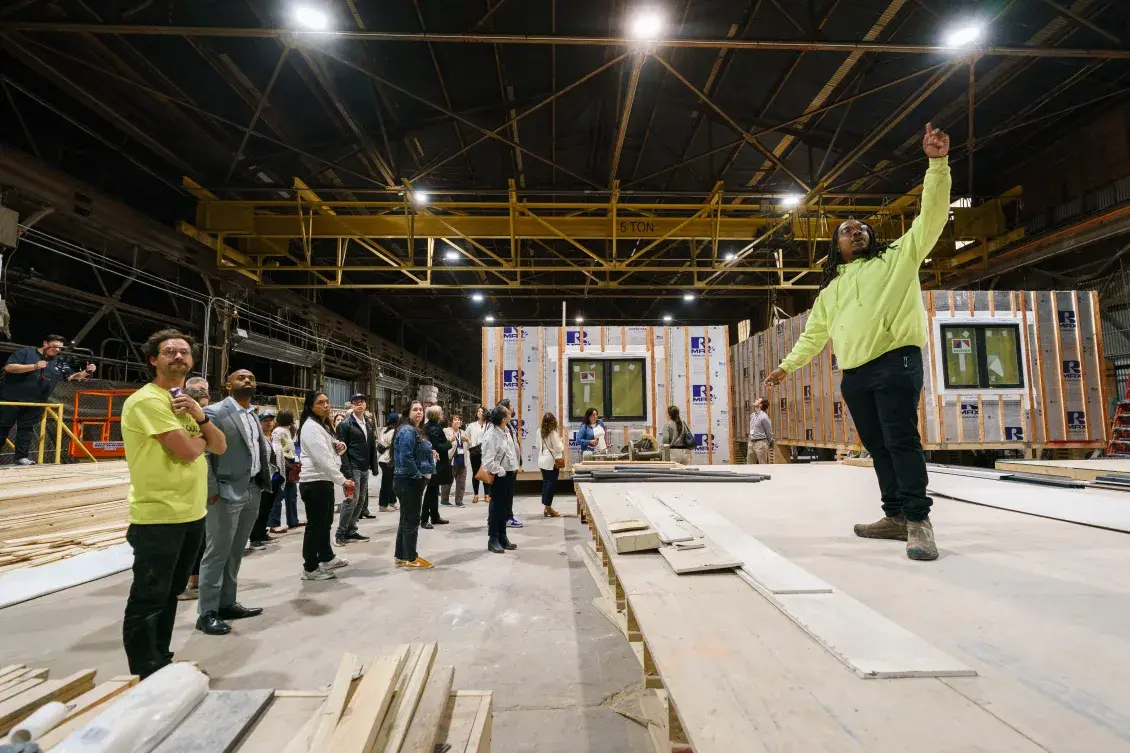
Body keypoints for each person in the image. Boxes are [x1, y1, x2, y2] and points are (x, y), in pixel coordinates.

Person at [764, 123, 951, 562]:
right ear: (836, 246)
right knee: (879, 445)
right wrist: (787, 366)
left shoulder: (898, 257)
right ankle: (895, 516)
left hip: (896, 361)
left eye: (862, 227)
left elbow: (933, 217)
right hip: (855, 374)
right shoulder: (830, 290)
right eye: (848, 230)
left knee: (901, 440)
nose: (857, 232)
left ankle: (919, 520)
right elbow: (814, 335)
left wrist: (937, 164)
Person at [120, 330, 226, 678]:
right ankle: (144, 671)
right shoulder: (148, 401)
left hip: (191, 513)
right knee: (149, 597)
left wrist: (201, 418)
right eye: (169, 352)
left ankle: (160, 660)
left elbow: (220, 446)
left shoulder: (185, 402)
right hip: (158, 514)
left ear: (192, 361)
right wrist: (201, 437)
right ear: (153, 359)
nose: (178, 357)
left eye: (184, 352)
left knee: (170, 594)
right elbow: (189, 450)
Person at [196, 369, 271, 636]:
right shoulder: (215, 413)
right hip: (225, 491)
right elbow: (203, 455)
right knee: (217, 552)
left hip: (251, 488)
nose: (247, 381)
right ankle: (207, 612)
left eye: (251, 378)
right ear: (228, 384)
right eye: (241, 378)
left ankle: (227, 603)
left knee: (236, 550)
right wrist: (212, 489)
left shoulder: (252, 414)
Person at [1, 334, 96, 465]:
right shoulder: (26, 352)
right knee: (2, 428)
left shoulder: (58, 361)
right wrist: (34, 366)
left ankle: (21, 458)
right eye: (55, 346)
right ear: (45, 343)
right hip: (11, 399)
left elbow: (71, 376)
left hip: (36, 402)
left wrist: (86, 372)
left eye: (60, 348)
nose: (57, 350)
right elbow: (9, 368)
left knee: (26, 429)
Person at [298, 391, 355, 580]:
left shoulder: (322, 426)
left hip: (324, 481)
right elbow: (322, 459)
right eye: (320, 403)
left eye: (327, 402)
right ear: (311, 406)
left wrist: (340, 447)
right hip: (314, 482)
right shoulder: (310, 428)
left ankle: (326, 557)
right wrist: (342, 479)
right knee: (316, 526)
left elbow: (331, 449)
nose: (326, 405)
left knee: (325, 523)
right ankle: (310, 568)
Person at [176, 377, 212, 602]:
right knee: (185, 538)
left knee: (200, 536)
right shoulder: (177, 420)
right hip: (182, 487)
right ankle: (179, 586)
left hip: (200, 486)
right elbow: (190, 450)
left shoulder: (202, 420)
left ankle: (195, 580)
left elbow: (217, 444)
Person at [393, 401, 436, 569]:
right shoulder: (407, 430)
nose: (419, 412)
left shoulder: (414, 430)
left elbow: (414, 451)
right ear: (407, 412)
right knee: (411, 520)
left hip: (407, 479)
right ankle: (411, 558)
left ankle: (401, 556)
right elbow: (406, 457)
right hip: (408, 480)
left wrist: (429, 452)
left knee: (405, 519)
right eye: (415, 410)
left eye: (420, 410)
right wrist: (417, 477)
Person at [335, 393, 377, 546]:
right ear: (351, 405)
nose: (360, 403)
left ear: (365, 405)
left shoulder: (369, 423)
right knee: (351, 499)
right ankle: (340, 533)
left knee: (360, 500)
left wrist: (374, 466)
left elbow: (371, 446)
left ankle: (351, 530)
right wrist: (346, 470)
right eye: (356, 402)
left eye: (362, 401)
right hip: (352, 467)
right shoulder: (345, 424)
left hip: (364, 467)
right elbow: (341, 449)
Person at [481, 404, 519, 553]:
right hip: (499, 476)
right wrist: (500, 471)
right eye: (508, 413)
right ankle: (493, 539)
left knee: (504, 508)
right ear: (504, 418)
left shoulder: (505, 430)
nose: (511, 413)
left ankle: (503, 537)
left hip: (509, 473)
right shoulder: (491, 435)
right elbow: (488, 460)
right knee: (496, 508)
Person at [248, 412, 279, 550]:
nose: (269, 423)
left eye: (271, 420)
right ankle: (254, 538)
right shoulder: (256, 438)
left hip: (275, 477)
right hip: (262, 478)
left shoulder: (274, 437)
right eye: (265, 420)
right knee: (259, 509)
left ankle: (262, 533)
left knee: (267, 508)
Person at [268, 409, 301, 533]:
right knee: (279, 493)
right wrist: (282, 465)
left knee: (292, 493)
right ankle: (273, 523)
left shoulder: (288, 430)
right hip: (282, 463)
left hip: (291, 462)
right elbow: (277, 449)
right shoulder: (278, 431)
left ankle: (293, 520)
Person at [422, 405, 452, 528]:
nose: (442, 414)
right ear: (436, 415)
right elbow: (438, 447)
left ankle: (434, 516)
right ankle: (424, 519)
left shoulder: (428, 427)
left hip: (434, 463)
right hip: (437, 463)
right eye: (441, 413)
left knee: (434, 491)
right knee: (430, 492)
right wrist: (450, 442)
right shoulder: (436, 429)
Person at [536, 412, 564, 517]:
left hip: (542, 460)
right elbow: (559, 448)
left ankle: (546, 507)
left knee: (546, 483)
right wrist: (561, 441)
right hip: (551, 462)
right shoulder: (553, 433)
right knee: (551, 485)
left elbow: (537, 445)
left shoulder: (539, 431)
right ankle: (548, 507)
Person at [441, 414, 469, 507]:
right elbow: (443, 443)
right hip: (451, 459)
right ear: (451, 422)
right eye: (455, 420)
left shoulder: (464, 432)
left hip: (462, 459)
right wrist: (451, 440)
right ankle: (444, 500)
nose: (457, 421)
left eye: (459, 420)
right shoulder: (446, 431)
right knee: (448, 480)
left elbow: (470, 444)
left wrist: (467, 440)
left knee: (461, 481)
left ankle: (459, 500)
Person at [376, 412, 398, 512]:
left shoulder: (384, 431)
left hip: (382, 459)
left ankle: (392, 501)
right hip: (389, 459)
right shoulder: (395, 432)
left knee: (389, 481)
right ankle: (382, 505)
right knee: (387, 483)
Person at [467, 406, 488, 504]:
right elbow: (465, 436)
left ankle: (487, 494)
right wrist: (470, 443)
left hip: (485, 451)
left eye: (482, 411)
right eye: (478, 411)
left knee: (485, 472)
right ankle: (476, 495)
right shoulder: (472, 425)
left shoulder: (488, 425)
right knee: (475, 473)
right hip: (475, 451)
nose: (480, 413)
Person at [746, 398, 773, 464]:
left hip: (760, 443)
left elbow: (768, 430)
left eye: (758, 400)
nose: (755, 400)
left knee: (762, 465)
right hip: (751, 443)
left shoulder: (764, 417)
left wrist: (769, 442)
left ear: (760, 405)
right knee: (749, 465)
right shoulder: (752, 415)